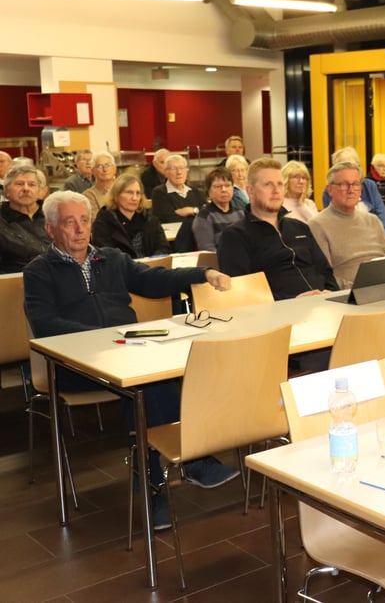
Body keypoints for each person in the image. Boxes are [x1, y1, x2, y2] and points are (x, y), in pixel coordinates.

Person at [24, 191, 236, 530]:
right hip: (74, 364)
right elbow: (45, 324)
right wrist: (102, 337)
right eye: (69, 223)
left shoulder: (111, 258)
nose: (79, 229)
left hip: (126, 355)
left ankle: (153, 479)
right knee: (147, 381)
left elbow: (153, 280)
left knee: (151, 378)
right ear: (50, 230)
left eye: (84, 221)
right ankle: (185, 464)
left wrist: (202, 274)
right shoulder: (38, 271)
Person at [218, 157, 337, 300]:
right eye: (268, 185)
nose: (276, 191)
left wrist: (333, 294)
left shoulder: (299, 228)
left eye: (280, 184)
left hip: (323, 305)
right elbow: (242, 293)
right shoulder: (235, 236)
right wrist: (292, 301)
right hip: (278, 314)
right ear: (250, 191)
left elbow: (325, 271)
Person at [309, 161, 385, 289]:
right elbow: (324, 277)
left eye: (355, 184)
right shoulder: (317, 225)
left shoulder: (373, 221)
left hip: (384, 290)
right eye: (344, 185)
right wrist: (360, 289)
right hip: (348, 297)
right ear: (330, 190)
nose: (351, 190)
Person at [91, 173, 170, 258]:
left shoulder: (148, 218)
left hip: (151, 267)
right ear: (116, 195)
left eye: (138, 193)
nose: (134, 198)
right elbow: (105, 254)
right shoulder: (104, 220)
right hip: (122, 268)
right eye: (129, 192)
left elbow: (163, 247)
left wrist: (154, 261)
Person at [320, 147, 385, 234]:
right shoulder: (329, 191)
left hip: (375, 237)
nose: (349, 171)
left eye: (353, 166)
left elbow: (381, 215)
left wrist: (381, 237)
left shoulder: (370, 185)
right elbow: (334, 223)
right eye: (344, 166)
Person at [151, 154, 205, 251]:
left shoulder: (197, 192)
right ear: (165, 172)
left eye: (182, 168)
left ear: (187, 171)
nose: (179, 172)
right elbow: (167, 219)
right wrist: (194, 216)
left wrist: (193, 210)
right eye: (173, 169)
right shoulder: (159, 192)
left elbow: (205, 215)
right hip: (173, 242)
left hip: (197, 238)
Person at [0, 164, 49, 272]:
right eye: (19, 184)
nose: (26, 189)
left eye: (32, 184)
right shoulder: (2, 221)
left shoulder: (53, 214)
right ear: (6, 191)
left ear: (40, 191)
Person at [192, 167, 244, 251]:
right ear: (209, 192)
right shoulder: (204, 217)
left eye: (227, 185)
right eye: (218, 186)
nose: (224, 190)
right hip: (218, 261)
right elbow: (207, 250)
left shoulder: (241, 213)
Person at [82, 152, 117, 220]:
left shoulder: (124, 190)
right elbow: (97, 222)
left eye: (108, 165)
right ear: (93, 171)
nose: (105, 170)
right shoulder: (89, 196)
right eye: (100, 166)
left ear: (114, 168)